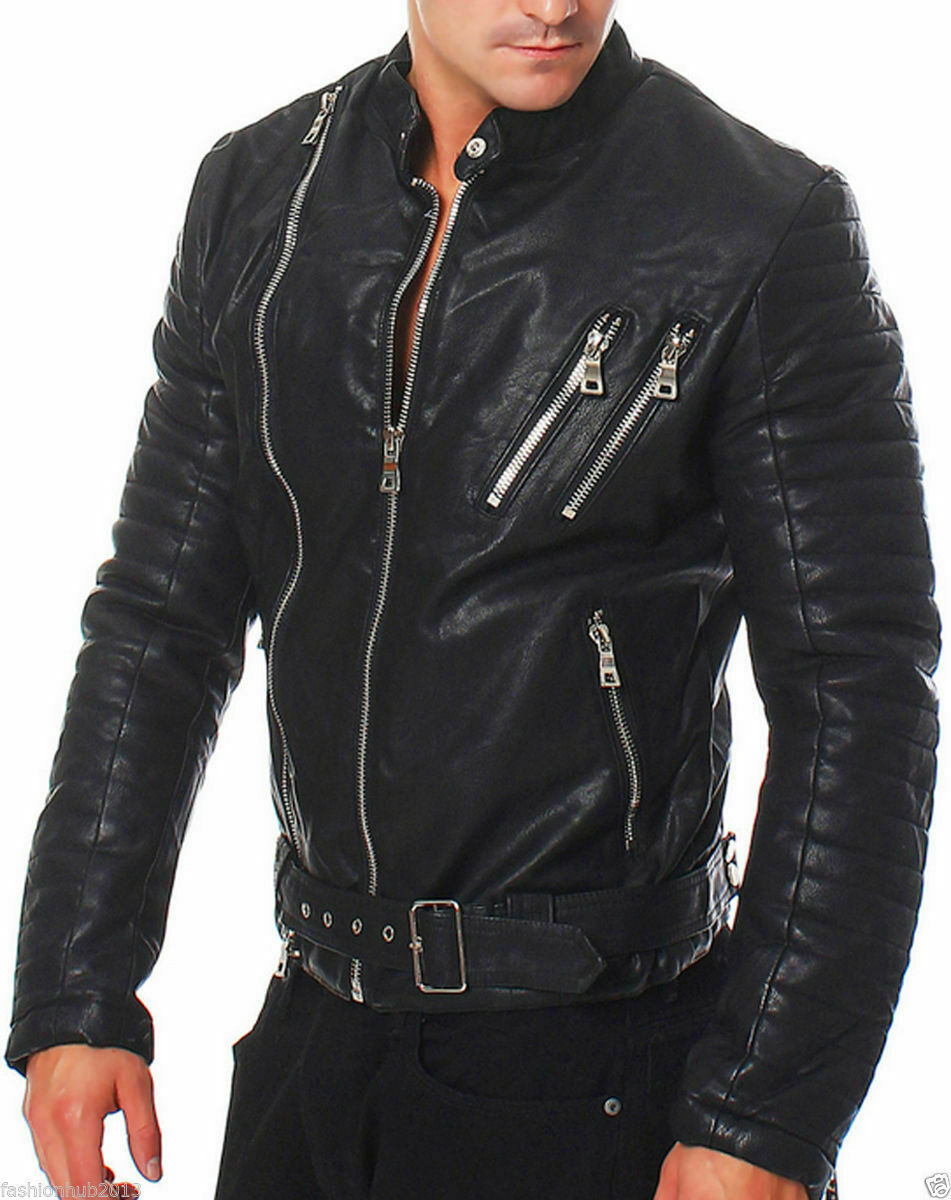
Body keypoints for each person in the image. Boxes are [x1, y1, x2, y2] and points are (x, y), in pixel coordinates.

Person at [5, 1, 939, 1198]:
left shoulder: (754, 224)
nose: (553, 5)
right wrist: (75, 988)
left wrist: (765, 1116)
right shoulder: (255, 196)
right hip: (313, 1039)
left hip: (602, 1066)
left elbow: (859, 689)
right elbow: (158, 623)